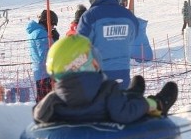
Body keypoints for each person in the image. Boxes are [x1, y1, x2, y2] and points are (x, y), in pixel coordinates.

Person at [32, 34, 177, 124]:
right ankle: (158, 103)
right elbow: (125, 113)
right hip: (110, 135)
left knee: (123, 97)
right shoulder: (107, 89)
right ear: (84, 63)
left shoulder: (55, 98)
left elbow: (38, 114)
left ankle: (133, 93)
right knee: (129, 101)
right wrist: (145, 105)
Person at [77, 0, 139, 88]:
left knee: (101, 104)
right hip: (123, 72)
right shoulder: (128, 15)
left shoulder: (89, 16)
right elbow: (134, 35)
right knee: (121, 102)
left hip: (98, 74)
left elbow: (78, 45)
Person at [27, 9, 60, 101]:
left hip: (40, 72)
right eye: (52, 24)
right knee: (47, 102)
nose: (53, 27)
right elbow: (46, 55)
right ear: (47, 22)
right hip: (45, 73)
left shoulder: (35, 32)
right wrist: (54, 41)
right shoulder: (41, 33)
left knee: (43, 100)